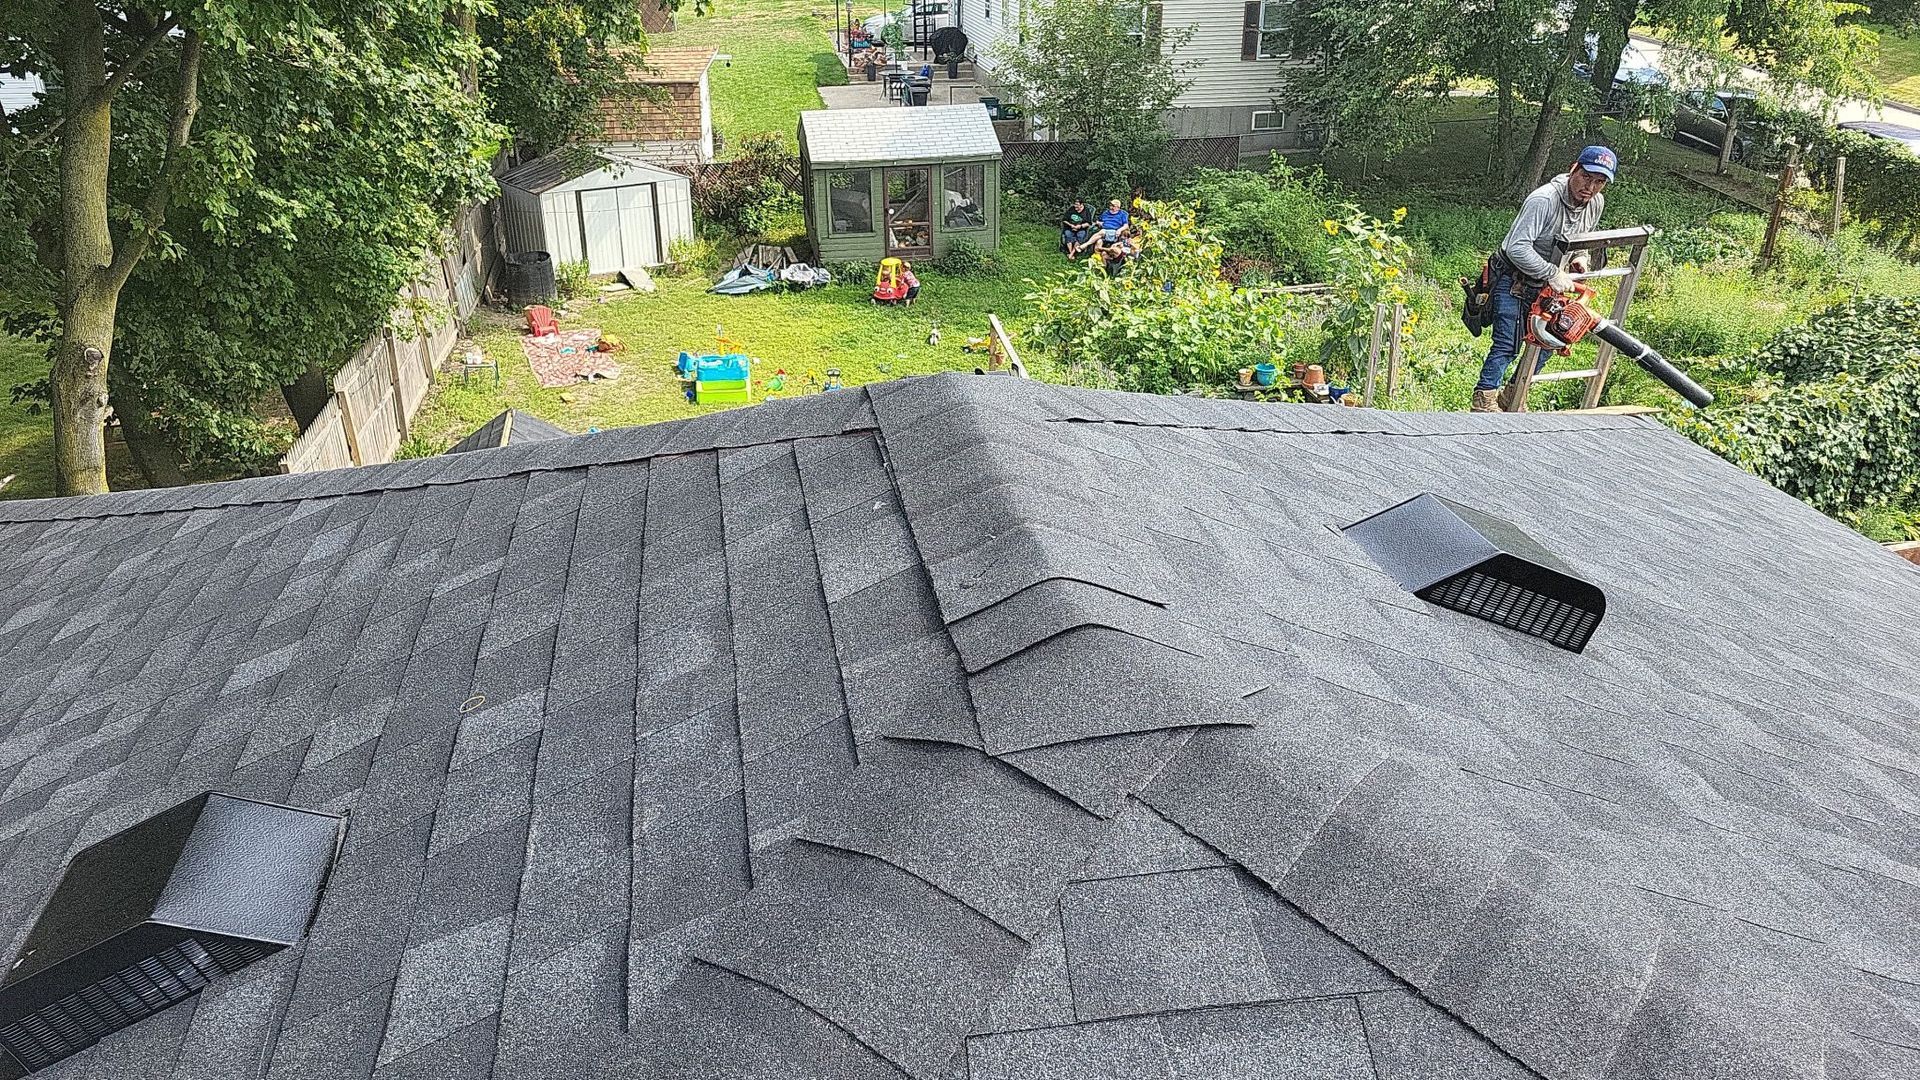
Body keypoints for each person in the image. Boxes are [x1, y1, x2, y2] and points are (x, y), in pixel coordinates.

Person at [1472, 145, 1616, 412]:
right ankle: (1484, 399)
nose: (1591, 187)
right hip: (1513, 277)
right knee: (1507, 341)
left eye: (1599, 182)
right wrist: (1552, 272)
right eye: (1586, 177)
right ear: (1574, 169)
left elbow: (1582, 238)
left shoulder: (1595, 203)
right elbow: (1517, 247)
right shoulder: (1544, 200)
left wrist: (1580, 257)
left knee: (1553, 337)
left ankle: (1514, 393)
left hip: (1550, 285)